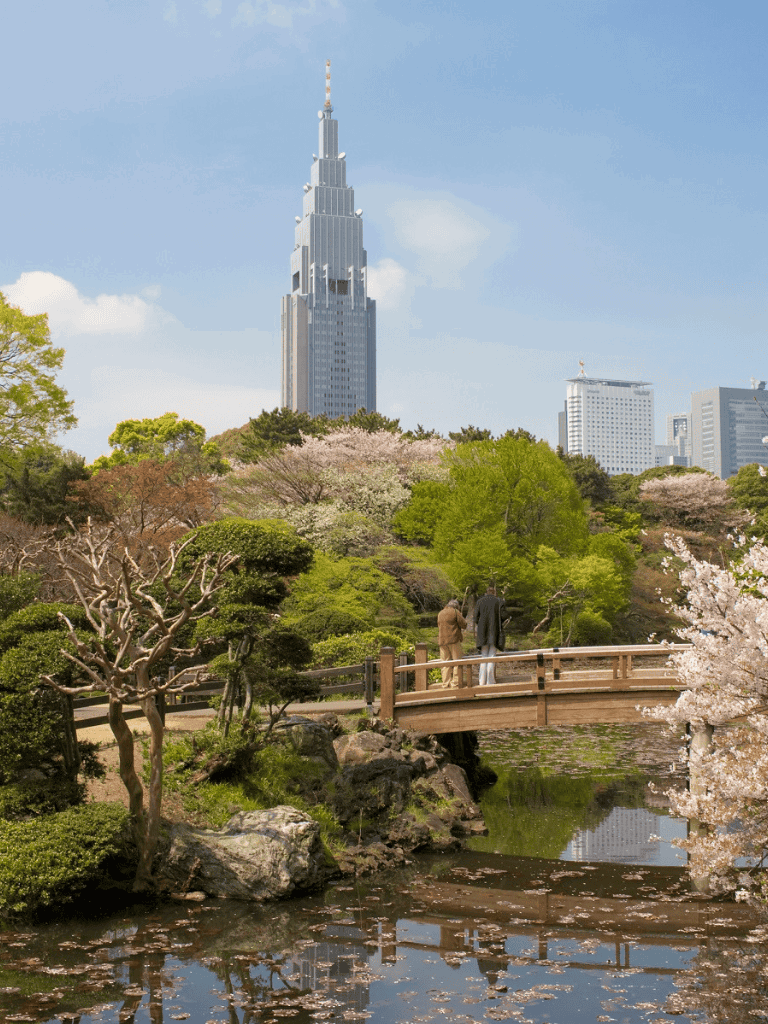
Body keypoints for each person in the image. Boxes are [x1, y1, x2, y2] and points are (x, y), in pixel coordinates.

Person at [473, 585, 506, 686]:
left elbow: (475, 618)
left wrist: (479, 626)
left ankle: (482, 681)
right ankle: (490, 681)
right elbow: (504, 616)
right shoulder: (499, 601)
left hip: (482, 632)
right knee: (491, 656)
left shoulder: (480, 601)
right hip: (494, 632)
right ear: (494, 592)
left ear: (486, 592)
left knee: (484, 656)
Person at [437, 598, 467, 688]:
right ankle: (455, 683)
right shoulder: (455, 612)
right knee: (457, 662)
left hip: (442, 641)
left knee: (445, 663)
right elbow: (464, 624)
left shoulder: (440, 613)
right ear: (456, 606)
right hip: (453, 640)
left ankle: (445, 684)